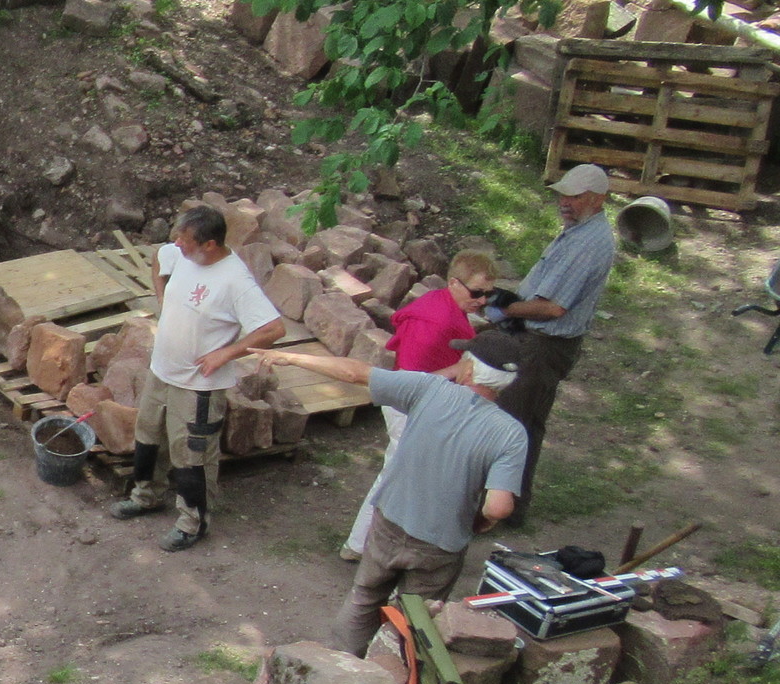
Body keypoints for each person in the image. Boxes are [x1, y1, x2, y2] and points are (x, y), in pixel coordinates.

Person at [260, 345, 526, 655]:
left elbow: (353, 373)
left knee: (364, 597)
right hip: (441, 542)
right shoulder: (511, 434)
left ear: (468, 370)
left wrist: (292, 357)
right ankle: (396, 670)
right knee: (416, 618)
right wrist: (482, 522)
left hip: (390, 522)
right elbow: (498, 507)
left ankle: (341, 661)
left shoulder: (429, 388)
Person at [111, 206, 286, 552]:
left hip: (198, 387)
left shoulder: (235, 281)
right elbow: (159, 259)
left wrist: (226, 353)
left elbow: (273, 328)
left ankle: (193, 522)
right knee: (148, 438)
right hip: (162, 371)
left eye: (185, 239)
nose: (176, 243)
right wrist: (162, 297)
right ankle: (146, 496)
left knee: (193, 456)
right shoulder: (182, 254)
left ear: (209, 244)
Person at [469, 162, 617, 520]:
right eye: (563, 195)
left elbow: (552, 308)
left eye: (575, 197)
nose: (565, 202)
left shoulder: (589, 244)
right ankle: (509, 506)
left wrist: (502, 306)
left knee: (507, 425)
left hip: (543, 344)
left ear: (597, 199)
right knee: (524, 424)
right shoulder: (578, 232)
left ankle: (491, 509)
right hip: (536, 339)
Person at [342, 249, 502, 560]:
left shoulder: (443, 305)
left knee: (403, 475)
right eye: (477, 293)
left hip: (422, 403)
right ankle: (359, 545)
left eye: (489, 294)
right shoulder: (435, 323)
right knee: (394, 476)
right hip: (410, 407)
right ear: (454, 283)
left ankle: (373, 544)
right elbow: (412, 382)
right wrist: (457, 370)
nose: (483, 301)